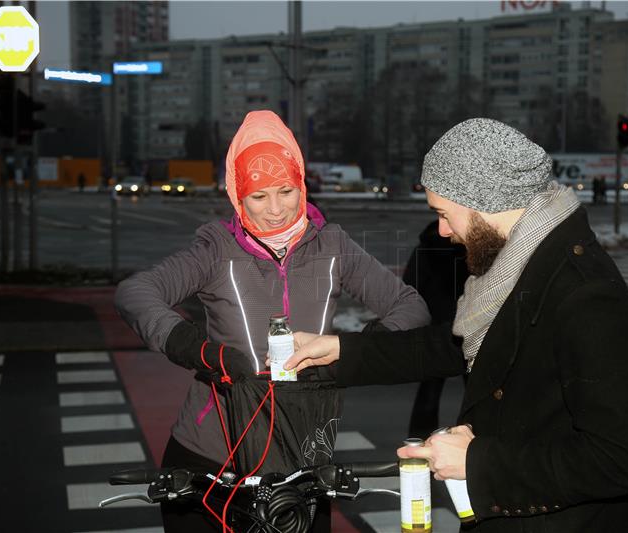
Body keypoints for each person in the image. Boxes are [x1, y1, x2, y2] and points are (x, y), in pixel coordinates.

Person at [286, 118, 628, 532]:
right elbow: (451, 345)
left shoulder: (586, 296)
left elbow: (620, 460)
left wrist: (475, 462)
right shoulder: (516, 266)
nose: (442, 231)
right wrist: (341, 350)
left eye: (443, 213)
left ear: (483, 198)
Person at [114, 110, 430, 533]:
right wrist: (194, 347)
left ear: (301, 184)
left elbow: (411, 307)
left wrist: (347, 354)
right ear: (237, 196)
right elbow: (135, 293)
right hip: (210, 454)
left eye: (286, 191)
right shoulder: (216, 248)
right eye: (258, 197)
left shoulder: (332, 246)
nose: (276, 210)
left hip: (302, 454)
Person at [402, 219, 468, 439]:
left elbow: (411, 283)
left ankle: (420, 442)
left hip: (435, 325)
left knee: (429, 391)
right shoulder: (467, 245)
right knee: (476, 393)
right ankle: (472, 443)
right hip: (469, 324)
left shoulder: (427, 245)